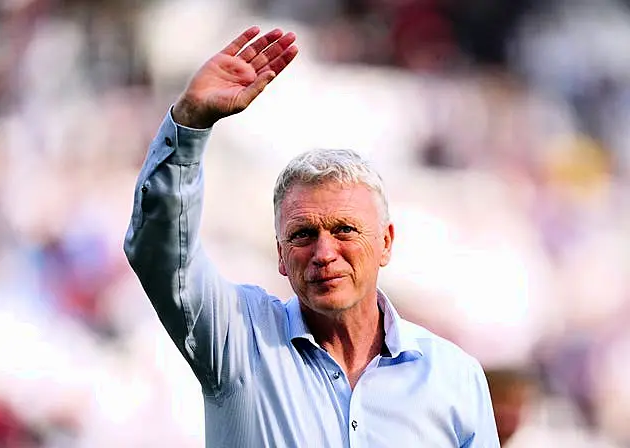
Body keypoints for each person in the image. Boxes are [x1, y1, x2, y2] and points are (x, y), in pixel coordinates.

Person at [124, 26, 499, 447]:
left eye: (344, 230)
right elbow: (161, 253)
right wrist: (189, 125)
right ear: (280, 255)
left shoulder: (453, 377)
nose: (324, 252)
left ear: (387, 242)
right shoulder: (239, 341)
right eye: (303, 234)